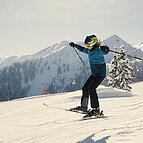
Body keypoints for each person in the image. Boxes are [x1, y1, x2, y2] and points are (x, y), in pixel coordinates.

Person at [69, 35, 109, 117]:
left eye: (88, 45)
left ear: (93, 43)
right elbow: (82, 49)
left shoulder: (99, 50)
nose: (87, 47)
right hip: (94, 74)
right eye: (86, 45)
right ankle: (84, 107)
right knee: (85, 88)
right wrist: (75, 45)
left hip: (100, 75)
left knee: (92, 88)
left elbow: (105, 51)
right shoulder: (89, 51)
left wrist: (106, 48)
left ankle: (96, 109)